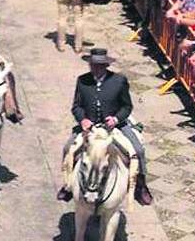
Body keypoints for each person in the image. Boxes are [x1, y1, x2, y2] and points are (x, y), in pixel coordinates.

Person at [57, 48, 153, 205]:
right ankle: (67, 184)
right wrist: (83, 120)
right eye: (94, 65)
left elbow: (127, 107)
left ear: (106, 65)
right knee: (68, 148)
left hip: (115, 127)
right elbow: (76, 106)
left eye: (100, 65)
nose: (96, 68)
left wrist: (116, 119)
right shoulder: (82, 81)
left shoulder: (119, 81)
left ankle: (140, 186)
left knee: (138, 150)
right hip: (90, 126)